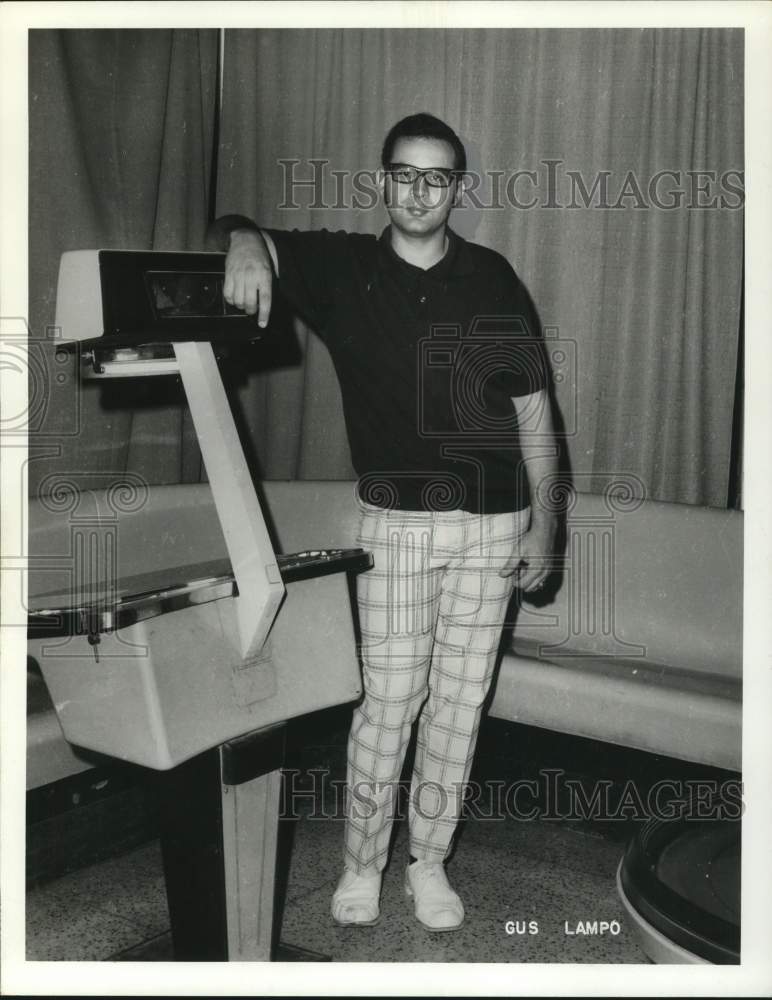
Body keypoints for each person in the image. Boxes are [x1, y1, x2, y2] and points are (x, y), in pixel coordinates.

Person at [207, 113, 558, 932]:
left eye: (437, 178)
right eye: (405, 174)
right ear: (382, 181)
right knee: (389, 704)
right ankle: (361, 864)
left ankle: (427, 864)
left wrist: (550, 522)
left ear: (457, 189)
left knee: (459, 708)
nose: (419, 191)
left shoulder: (494, 278)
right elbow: (229, 222)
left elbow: (536, 409)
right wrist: (246, 243)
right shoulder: (342, 268)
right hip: (398, 526)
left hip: (497, 524)